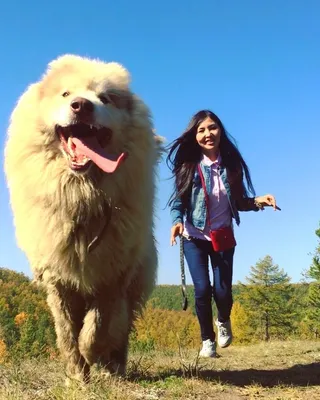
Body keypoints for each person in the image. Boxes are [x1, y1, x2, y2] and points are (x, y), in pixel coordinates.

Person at [167, 110, 279, 358]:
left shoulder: (231, 165)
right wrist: (176, 222)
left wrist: (259, 200)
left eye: (212, 128)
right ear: (195, 136)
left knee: (222, 290)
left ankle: (223, 319)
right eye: (202, 130)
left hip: (223, 237)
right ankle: (207, 340)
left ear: (220, 131)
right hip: (193, 237)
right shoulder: (188, 166)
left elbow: (238, 202)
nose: (208, 134)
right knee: (202, 289)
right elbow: (178, 201)